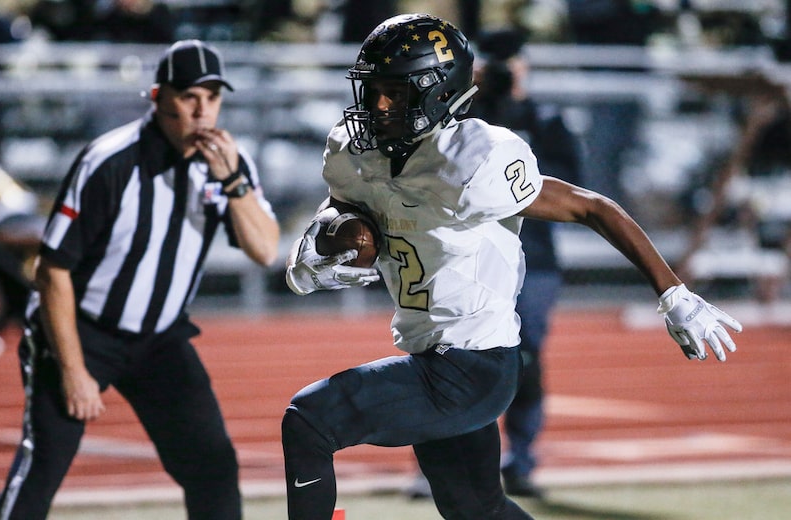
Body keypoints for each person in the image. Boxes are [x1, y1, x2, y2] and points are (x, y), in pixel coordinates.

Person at [281, 13, 742, 520]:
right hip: (433, 351)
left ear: (437, 94)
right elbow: (346, 208)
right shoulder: (355, 152)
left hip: (471, 366)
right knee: (477, 509)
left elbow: (591, 206)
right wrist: (333, 235)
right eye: (372, 90)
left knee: (310, 419)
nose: (379, 105)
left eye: (394, 91)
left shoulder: (473, 161)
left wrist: (673, 293)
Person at [0, 39, 280, 519]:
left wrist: (234, 184)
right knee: (44, 464)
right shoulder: (110, 161)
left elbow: (266, 249)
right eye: (189, 97)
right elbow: (51, 269)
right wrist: (73, 370)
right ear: (158, 96)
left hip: (159, 339)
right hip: (82, 328)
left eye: (212, 97)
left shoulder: (230, 164)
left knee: (212, 466)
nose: (202, 111)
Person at [470, 28, 582, 498]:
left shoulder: (546, 118)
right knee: (456, 356)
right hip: (471, 259)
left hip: (534, 260)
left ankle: (521, 459)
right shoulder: (463, 118)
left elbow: (574, 183)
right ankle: (447, 463)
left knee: (525, 359)